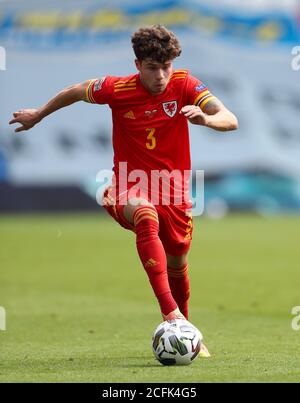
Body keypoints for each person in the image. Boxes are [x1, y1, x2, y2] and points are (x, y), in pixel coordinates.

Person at [9, 25, 238, 358]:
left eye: (166, 66)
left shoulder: (185, 84)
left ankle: (185, 329)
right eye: (152, 67)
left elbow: (230, 118)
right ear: (137, 65)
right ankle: (169, 314)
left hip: (173, 192)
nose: (160, 75)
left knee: (178, 260)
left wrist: (206, 119)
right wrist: (39, 115)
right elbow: (76, 90)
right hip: (126, 185)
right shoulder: (117, 89)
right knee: (145, 216)